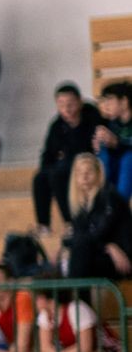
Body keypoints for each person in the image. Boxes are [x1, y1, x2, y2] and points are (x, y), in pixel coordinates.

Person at [33, 83, 101, 233]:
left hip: (88, 161)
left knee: (58, 174)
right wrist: (45, 169)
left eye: (70, 104)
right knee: (40, 178)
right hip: (67, 163)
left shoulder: (93, 117)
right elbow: (48, 153)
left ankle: (70, 222)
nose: (67, 109)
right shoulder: (57, 125)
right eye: (61, 105)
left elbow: (90, 148)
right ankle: (43, 224)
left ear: (80, 102)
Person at [62, 153, 132, 281]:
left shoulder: (109, 197)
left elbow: (99, 232)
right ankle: (76, 293)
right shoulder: (82, 205)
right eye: (79, 173)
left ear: (99, 173)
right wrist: (107, 246)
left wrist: (68, 243)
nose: (84, 177)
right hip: (100, 252)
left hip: (123, 258)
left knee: (80, 253)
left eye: (89, 172)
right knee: (67, 259)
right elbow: (80, 236)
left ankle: (75, 294)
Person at [94, 82, 132, 200]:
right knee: (102, 153)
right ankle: (104, 200)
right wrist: (98, 143)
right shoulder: (110, 122)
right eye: (104, 101)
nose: (106, 106)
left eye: (109, 100)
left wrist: (116, 143)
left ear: (124, 102)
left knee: (128, 158)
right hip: (116, 163)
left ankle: (118, 203)